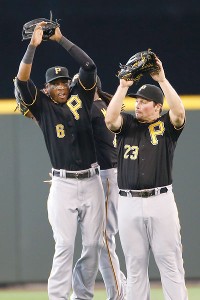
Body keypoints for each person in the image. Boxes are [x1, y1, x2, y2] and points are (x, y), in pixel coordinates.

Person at [14, 21, 105, 300]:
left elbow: (89, 66)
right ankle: (58, 298)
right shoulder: (42, 108)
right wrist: (33, 46)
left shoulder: (82, 98)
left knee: (92, 246)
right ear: (47, 89)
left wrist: (62, 40)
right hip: (63, 184)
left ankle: (83, 295)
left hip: (92, 181)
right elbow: (21, 80)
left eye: (64, 81)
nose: (62, 86)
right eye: (55, 84)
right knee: (65, 245)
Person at [105, 56, 188, 300]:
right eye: (137, 101)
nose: (138, 105)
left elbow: (179, 112)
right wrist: (123, 87)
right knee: (135, 265)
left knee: (169, 262)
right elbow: (110, 119)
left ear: (157, 107)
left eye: (144, 102)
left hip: (160, 200)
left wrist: (162, 80)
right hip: (128, 202)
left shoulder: (167, 127)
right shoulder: (128, 124)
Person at [91, 76, 126, 300]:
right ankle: (122, 288)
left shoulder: (93, 108)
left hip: (107, 176)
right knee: (102, 239)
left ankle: (119, 294)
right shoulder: (104, 105)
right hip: (114, 174)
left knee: (104, 239)